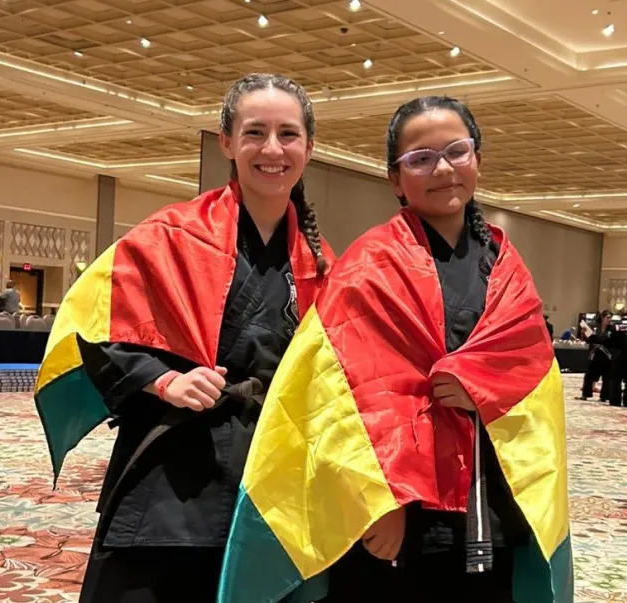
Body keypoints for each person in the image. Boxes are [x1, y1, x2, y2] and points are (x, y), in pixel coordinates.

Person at [219, 96, 572, 603]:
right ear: (395, 177)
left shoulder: (506, 262)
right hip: (399, 507)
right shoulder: (370, 263)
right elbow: (345, 391)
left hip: (495, 496)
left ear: (478, 160)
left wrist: (486, 388)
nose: (443, 169)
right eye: (421, 159)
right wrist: (381, 499)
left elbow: (535, 372)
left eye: (456, 151)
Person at [33, 74, 333, 603]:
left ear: (308, 146)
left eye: (288, 134)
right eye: (254, 132)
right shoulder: (169, 236)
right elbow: (90, 329)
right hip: (172, 474)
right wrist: (165, 380)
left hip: (270, 473)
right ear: (226, 142)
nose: (272, 149)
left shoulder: (322, 262)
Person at [578, 310, 613, 402]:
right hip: (595, 355)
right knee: (589, 376)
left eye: (610, 318)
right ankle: (585, 394)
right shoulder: (594, 328)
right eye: (607, 317)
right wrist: (584, 334)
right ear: (602, 317)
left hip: (606, 356)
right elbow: (589, 340)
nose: (609, 320)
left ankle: (604, 396)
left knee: (606, 377)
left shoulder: (612, 329)